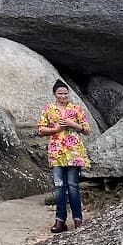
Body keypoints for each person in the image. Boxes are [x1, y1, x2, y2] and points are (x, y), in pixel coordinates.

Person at [36, 79, 91, 233]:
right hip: (56, 152)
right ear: (55, 94)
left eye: (66, 93)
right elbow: (41, 129)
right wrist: (56, 129)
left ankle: (78, 219)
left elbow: (87, 130)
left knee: (73, 185)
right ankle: (60, 221)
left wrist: (73, 124)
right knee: (59, 186)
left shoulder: (76, 109)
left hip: (73, 152)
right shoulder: (49, 109)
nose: (63, 96)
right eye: (60, 93)